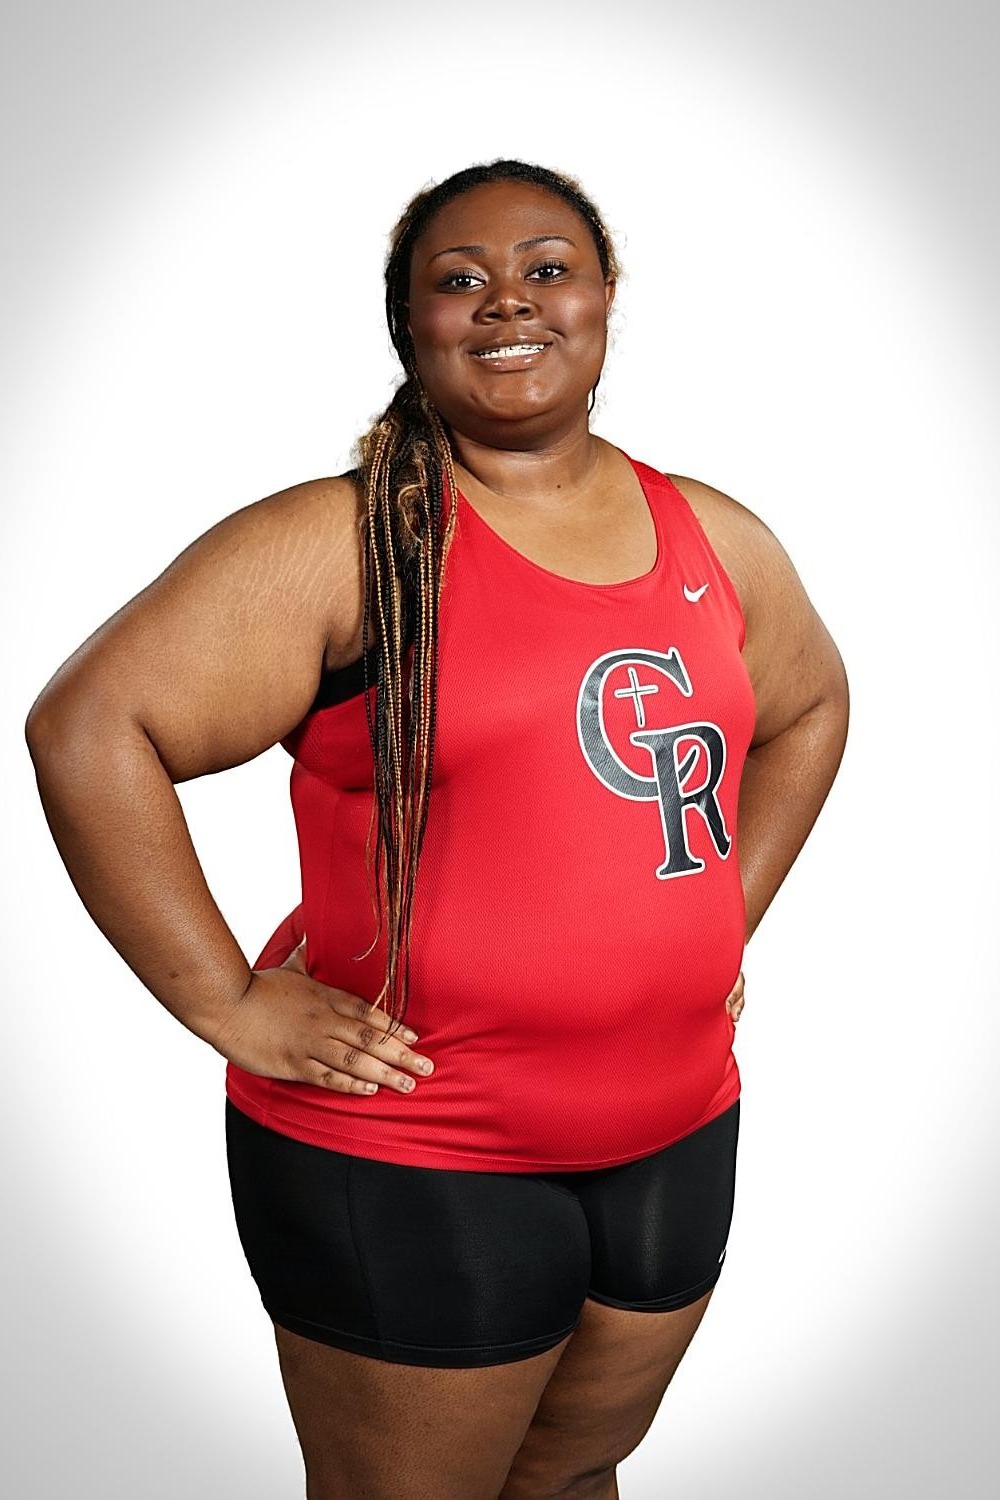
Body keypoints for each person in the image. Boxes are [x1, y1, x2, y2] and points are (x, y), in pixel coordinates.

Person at [24, 158, 850, 1500]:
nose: (505, 302)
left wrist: (720, 920)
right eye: (457, 281)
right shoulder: (343, 545)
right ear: (408, 323)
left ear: (603, 299)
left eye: (544, 269)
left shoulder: (711, 534)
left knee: (574, 1480)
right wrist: (224, 999)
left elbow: (812, 709)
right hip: (417, 1152)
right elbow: (88, 729)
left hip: (678, 1127)